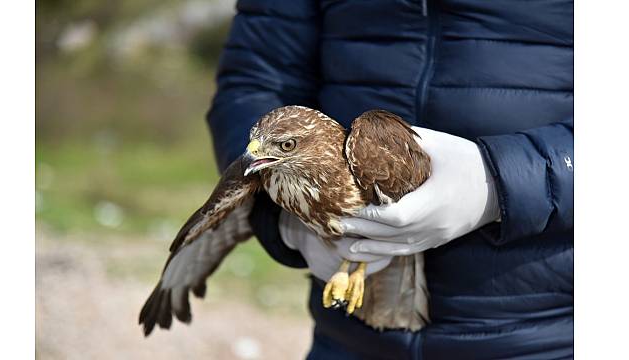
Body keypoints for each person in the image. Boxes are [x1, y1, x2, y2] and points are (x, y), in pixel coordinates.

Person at [206, 0, 573, 359]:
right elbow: (255, 79)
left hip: (551, 332)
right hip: (350, 338)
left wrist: (501, 182)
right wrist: (283, 215)